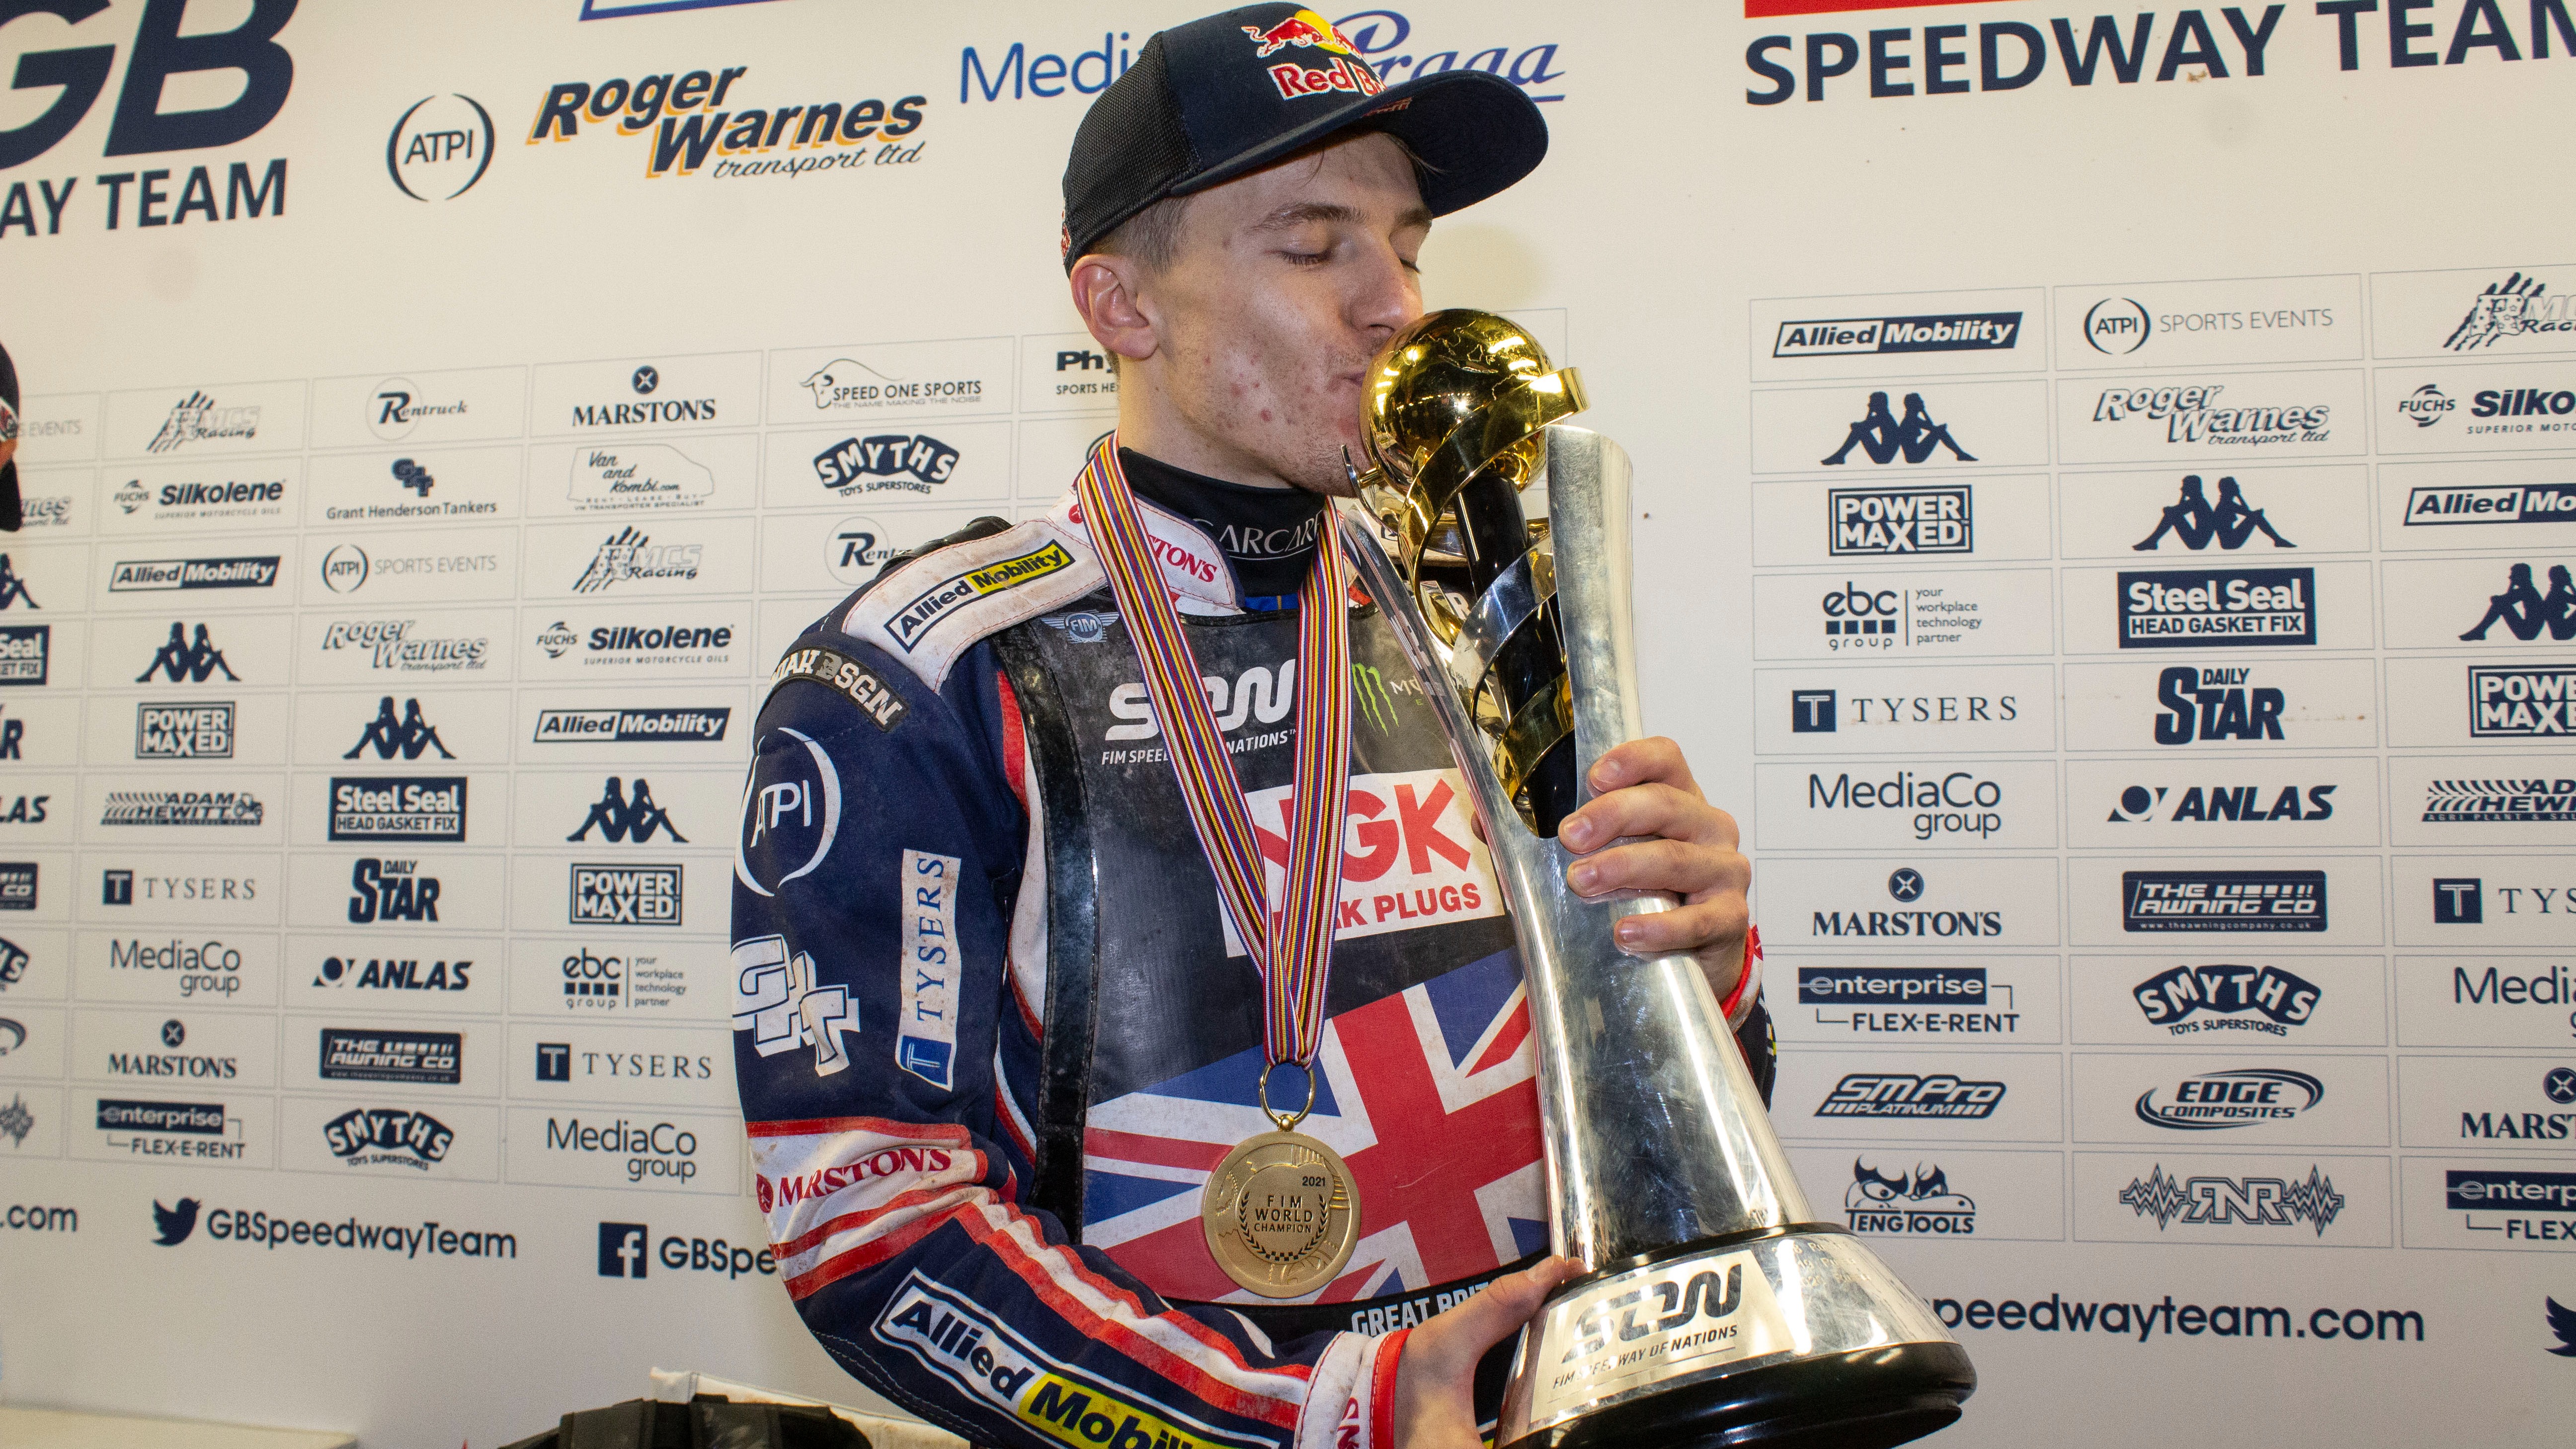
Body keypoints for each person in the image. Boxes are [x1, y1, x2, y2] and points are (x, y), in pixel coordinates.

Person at [729, 9, 1767, 1448]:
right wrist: (1317, 1417)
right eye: (1313, 245)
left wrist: (1696, 979)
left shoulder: (1478, 613)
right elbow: (873, 1227)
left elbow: (1665, 1126)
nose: (1395, 305)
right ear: (1122, 307)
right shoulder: (935, 667)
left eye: (1407, 245)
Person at [2460, 562, 2547, 641]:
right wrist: (2511, 586)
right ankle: (2480, 631)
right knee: (2500, 604)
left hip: (2527, 632)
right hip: (2527, 630)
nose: (2510, 577)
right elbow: (2507, 599)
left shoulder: (2527, 591)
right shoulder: (2528, 590)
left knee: (2499, 604)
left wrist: (2511, 585)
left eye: (2513, 575)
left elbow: (2502, 600)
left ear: (2520, 576)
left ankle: (2480, 631)